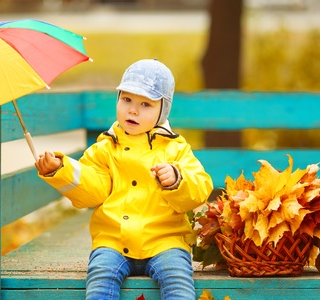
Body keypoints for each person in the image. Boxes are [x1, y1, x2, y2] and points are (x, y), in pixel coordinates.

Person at [35, 59, 213, 300]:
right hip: (113, 241)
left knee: (179, 280)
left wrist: (176, 180)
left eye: (146, 104)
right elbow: (92, 190)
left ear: (163, 110)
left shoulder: (176, 149)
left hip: (165, 241)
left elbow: (200, 187)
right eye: (126, 99)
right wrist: (60, 169)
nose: (133, 110)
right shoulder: (105, 148)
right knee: (99, 276)